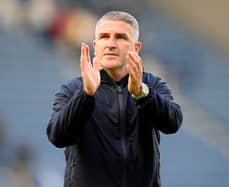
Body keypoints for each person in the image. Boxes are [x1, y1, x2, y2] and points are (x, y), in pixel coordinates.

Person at [47, 11, 183, 187]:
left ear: (136, 47)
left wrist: (141, 94)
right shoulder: (73, 89)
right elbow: (58, 136)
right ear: (95, 46)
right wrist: (86, 95)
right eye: (105, 37)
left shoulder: (151, 85)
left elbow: (173, 123)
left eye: (120, 37)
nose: (111, 44)